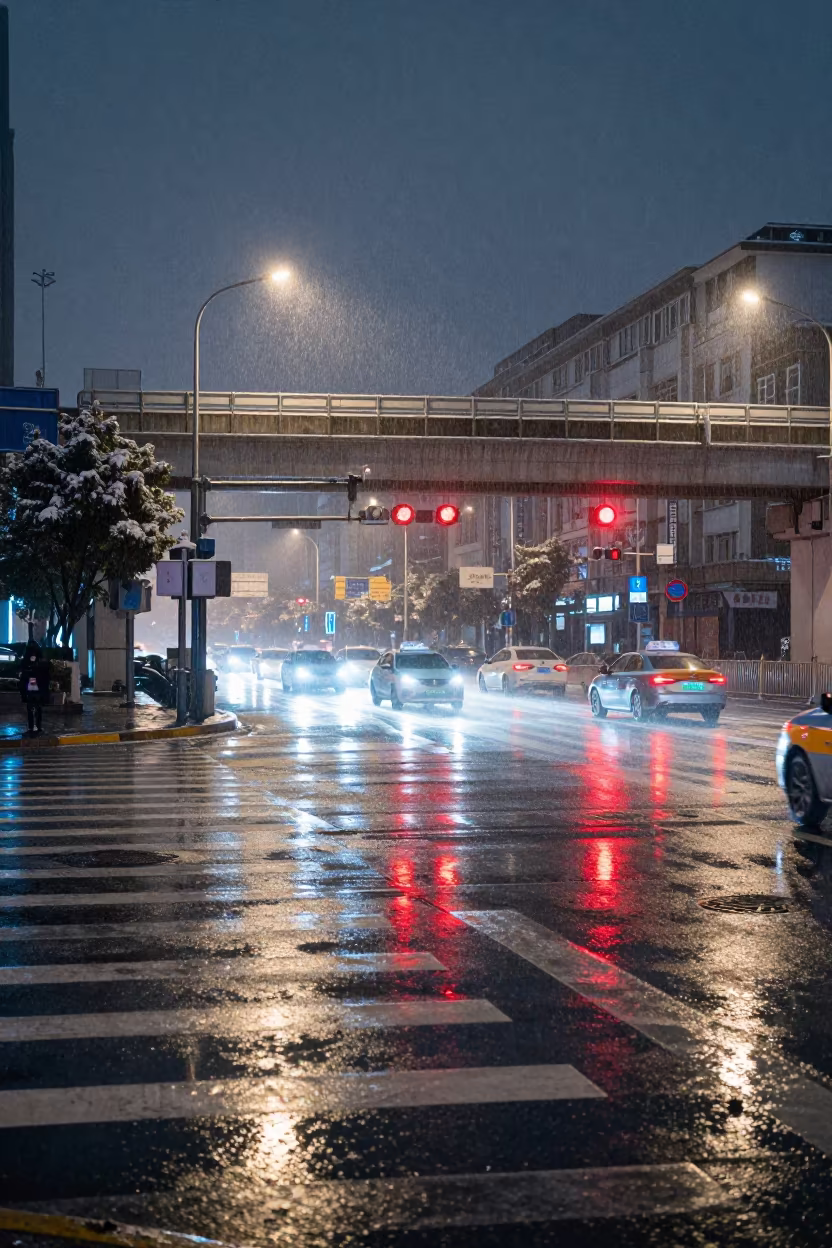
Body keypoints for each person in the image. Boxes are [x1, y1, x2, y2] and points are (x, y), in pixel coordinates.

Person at [18, 642, 50, 736]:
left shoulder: (33, 660)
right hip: (33, 685)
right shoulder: (34, 660)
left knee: (35, 707)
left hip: (35, 685)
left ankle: (35, 726)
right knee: (34, 707)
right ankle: (34, 726)